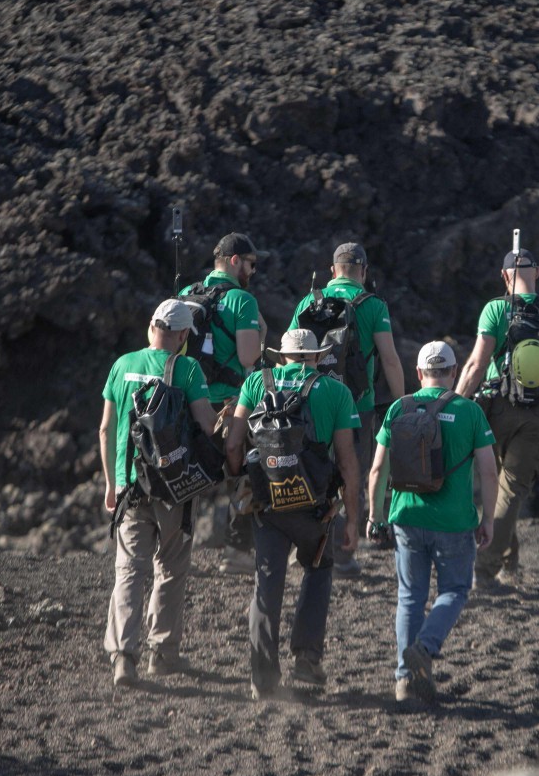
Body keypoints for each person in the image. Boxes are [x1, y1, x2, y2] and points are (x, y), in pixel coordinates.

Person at [224, 328, 362, 700]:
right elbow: (348, 462)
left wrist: (240, 483)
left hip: (268, 504)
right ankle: (306, 658)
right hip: (315, 508)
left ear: (281, 355)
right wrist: (353, 517)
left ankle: (264, 680)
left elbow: (235, 443)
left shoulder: (256, 383)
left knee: (266, 586)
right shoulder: (336, 391)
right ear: (316, 356)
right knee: (318, 569)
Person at [367, 341, 497, 704]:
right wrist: (488, 518)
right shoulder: (469, 411)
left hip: (406, 517)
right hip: (454, 521)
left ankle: (405, 681)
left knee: (409, 596)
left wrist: (375, 516)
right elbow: (488, 470)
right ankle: (425, 647)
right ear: (453, 373)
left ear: (419, 373)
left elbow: (378, 469)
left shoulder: (398, 408)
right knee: (454, 591)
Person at [99, 299, 216, 688]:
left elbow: (105, 429)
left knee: (129, 570)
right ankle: (162, 654)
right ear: (183, 336)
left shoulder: (121, 366)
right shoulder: (186, 368)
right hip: (173, 488)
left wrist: (110, 483)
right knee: (170, 569)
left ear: (151, 326)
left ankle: (123, 657)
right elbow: (205, 425)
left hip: (130, 486)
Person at [454, 240, 539, 590]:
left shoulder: (495, 310)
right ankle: (487, 568)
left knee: (497, 487)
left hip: (494, 410)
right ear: (537, 273)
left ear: (504, 277)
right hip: (538, 414)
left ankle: (502, 562)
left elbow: (477, 364)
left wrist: (455, 404)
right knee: (512, 490)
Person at [289, 241, 406, 577]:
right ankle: (342, 554)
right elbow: (390, 359)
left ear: (332, 270)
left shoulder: (309, 302)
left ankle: (306, 544)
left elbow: (290, 352)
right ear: (364, 272)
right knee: (349, 472)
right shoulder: (374, 306)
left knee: (309, 467)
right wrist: (402, 405)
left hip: (310, 401)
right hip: (358, 404)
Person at [178, 232, 266, 572]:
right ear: (234, 261)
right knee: (244, 470)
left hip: (188, 400)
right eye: (250, 264)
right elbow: (248, 357)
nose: (252, 271)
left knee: (185, 475)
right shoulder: (243, 301)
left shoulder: (186, 293)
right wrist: (261, 331)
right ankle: (237, 552)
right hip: (230, 405)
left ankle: (177, 551)